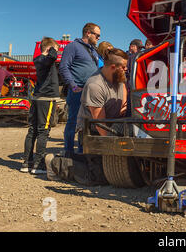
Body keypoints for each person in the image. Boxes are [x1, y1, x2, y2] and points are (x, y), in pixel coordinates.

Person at [44, 48, 129, 184]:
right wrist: (116, 151)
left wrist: (123, 105)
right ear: (113, 67)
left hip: (111, 126)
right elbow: (101, 126)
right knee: (99, 175)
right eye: (124, 67)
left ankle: (70, 157)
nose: (126, 70)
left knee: (106, 165)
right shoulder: (95, 85)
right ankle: (55, 164)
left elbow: (123, 90)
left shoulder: (118, 77)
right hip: (93, 130)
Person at [59, 23, 100, 155]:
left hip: (90, 92)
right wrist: (73, 85)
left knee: (86, 124)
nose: (98, 38)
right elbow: (64, 67)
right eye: (97, 35)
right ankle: (69, 151)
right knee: (73, 121)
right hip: (78, 91)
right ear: (88, 33)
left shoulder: (93, 50)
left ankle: (83, 151)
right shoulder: (73, 46)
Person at [21, 37, 60, 174]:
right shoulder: (46, 59)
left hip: (37, 98)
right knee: (43, 130)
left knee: (33, 130)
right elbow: (53, 57)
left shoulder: (37, 59)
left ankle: (27, 162)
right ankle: (38, 165)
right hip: (46, 98)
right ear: (50, 49)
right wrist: (54, 50)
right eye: (56, 49)